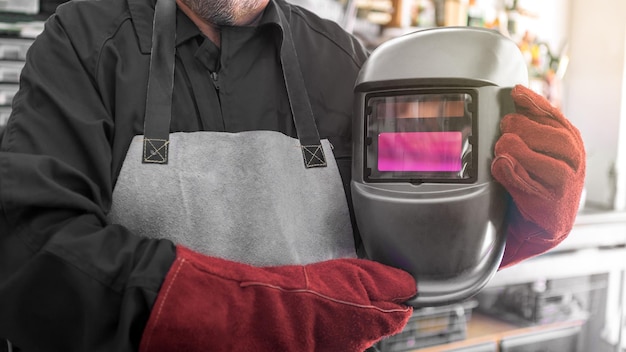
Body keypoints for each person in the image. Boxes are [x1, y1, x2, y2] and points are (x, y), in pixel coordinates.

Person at [0, 0, 585, 351]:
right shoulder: (83, 42)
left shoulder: (345, 63)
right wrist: (282, 316)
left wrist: (512, 219)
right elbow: (31, 256)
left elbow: (407, 246)